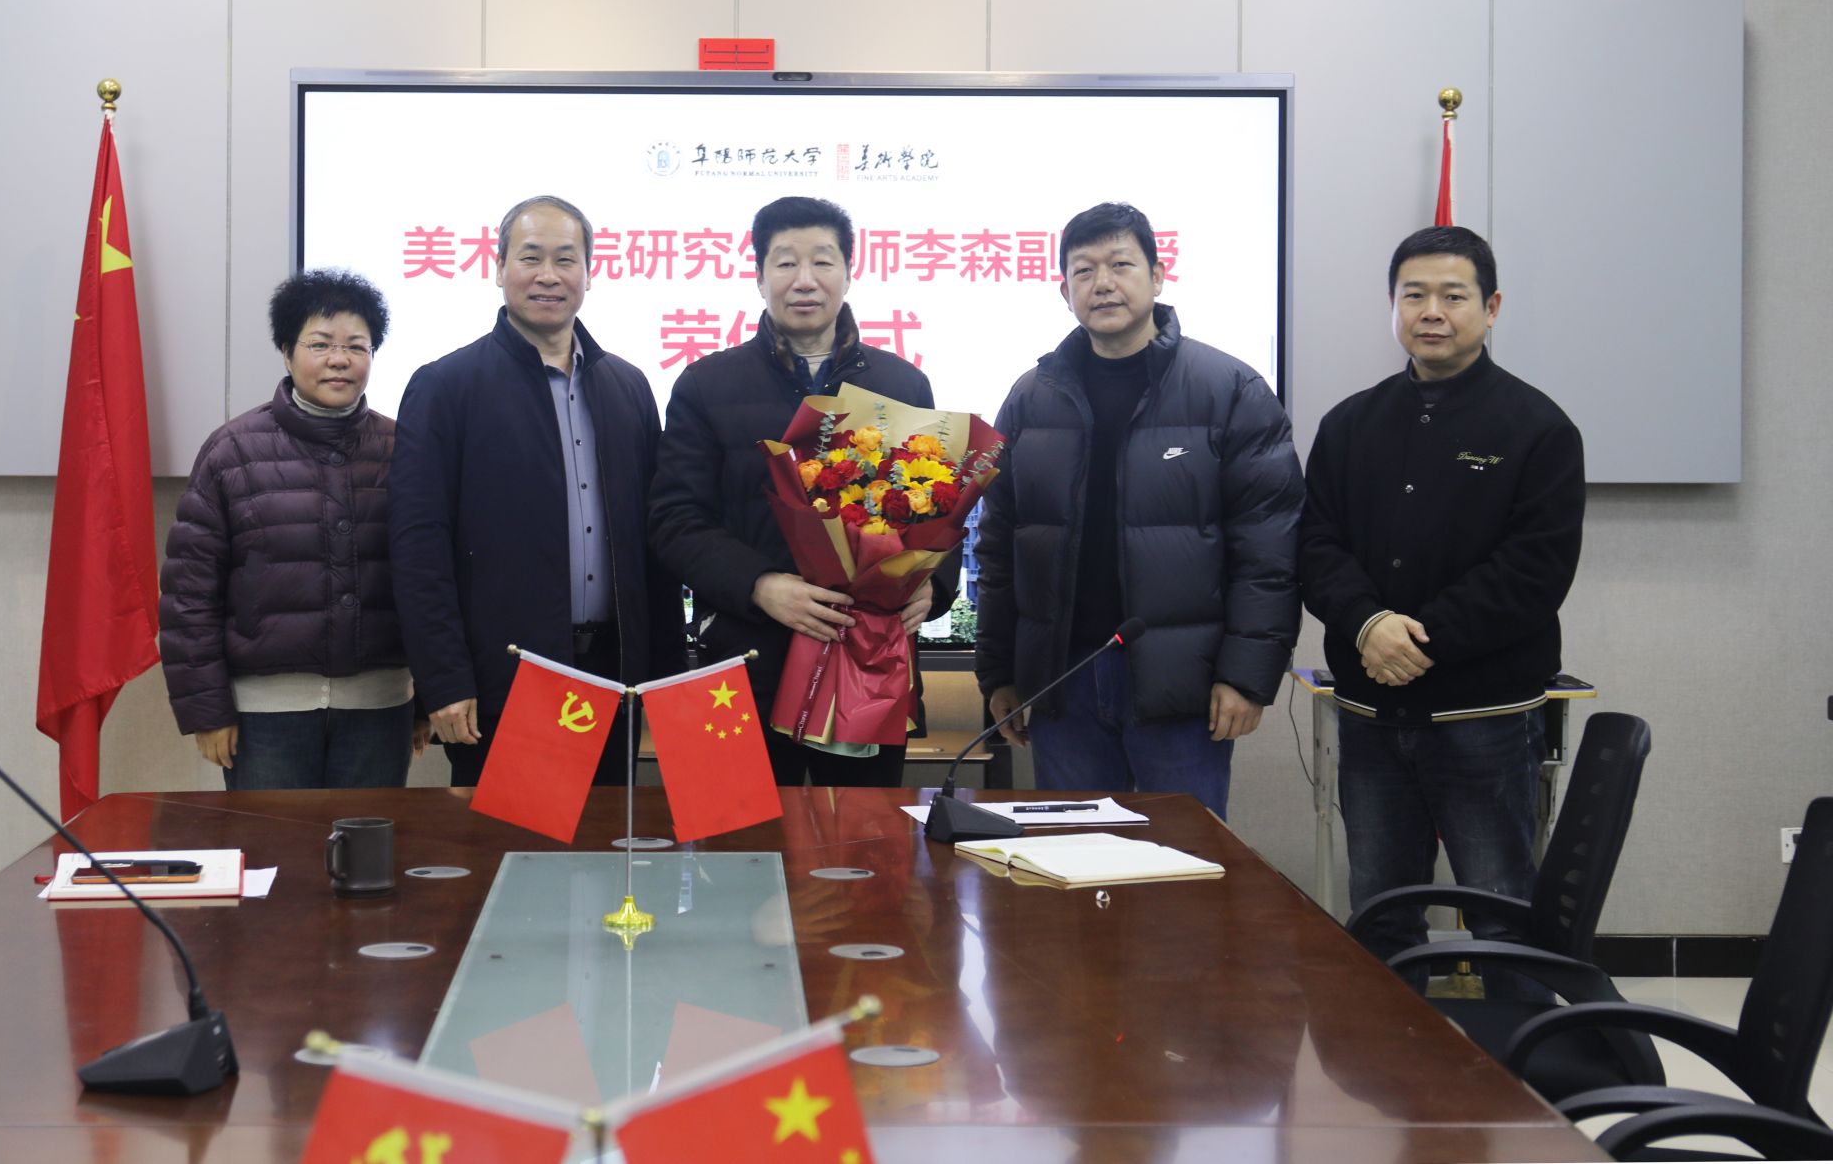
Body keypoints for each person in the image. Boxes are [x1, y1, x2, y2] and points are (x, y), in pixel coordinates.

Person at [1299, 225, 1583, 979]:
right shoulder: (1349, 423)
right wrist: (1368, 625)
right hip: (1371, 715)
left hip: (1482, 718)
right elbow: (1316, 546)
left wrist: (1417, 642)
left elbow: (1533, 571)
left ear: (1491, 308)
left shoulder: (1539, 428)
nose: (1432, 311)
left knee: (1500, 913)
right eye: (1413, 295)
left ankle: (1516, 1050)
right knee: (1380, 912)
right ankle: (1390, 1054)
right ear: (1393, 306)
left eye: (1453, 296)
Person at [973, 202, 1301, 818]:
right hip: (1063, 681)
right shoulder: (1030, 398)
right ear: (1064, 290)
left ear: (1157, 275)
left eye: (1120, 265)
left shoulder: (1230, 390)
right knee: (1071, 860)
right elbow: (998, 546)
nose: (1103, 283)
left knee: (1180, 861)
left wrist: (1246, 675)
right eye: (1084, 270)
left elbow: (1269, 549)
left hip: (1183, 686)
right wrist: (999, 673)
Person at [650, 195, 955, 786]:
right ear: (759, 275)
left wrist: (933, 588)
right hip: (745, 661)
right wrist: (760, 585)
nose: (805, 279)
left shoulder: (902, 383)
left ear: (850, 271)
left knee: (863, 835)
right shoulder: (707, 384)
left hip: (868, 663)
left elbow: (937, 507)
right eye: (786, 262)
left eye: (822, 261)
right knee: (743, 837)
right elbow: (674, 519)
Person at [390, 197, 683, 786]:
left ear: (589, 274)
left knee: (607, 840)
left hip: (613, 677)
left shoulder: (628, 387)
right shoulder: (445, 386)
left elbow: (654, 546)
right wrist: (444, 681)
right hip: (505, 681)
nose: (548, 275)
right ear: (499, 267)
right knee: (507, 843)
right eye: (530, 258)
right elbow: (419, 549)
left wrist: (666, 678)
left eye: (565, 259)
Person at [160, 269, 426, 789]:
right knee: (270, 843)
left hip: (380, 709)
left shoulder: (404, 450)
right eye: (320, 344)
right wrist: (207, 711)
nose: (339, 359)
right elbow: (189, 594)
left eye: (357, 346)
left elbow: (431, 583)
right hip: (265, 717)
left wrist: (428, 699)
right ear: (286, 352)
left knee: (368, 843)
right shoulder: (232, 451)